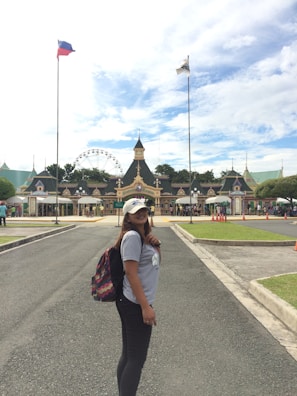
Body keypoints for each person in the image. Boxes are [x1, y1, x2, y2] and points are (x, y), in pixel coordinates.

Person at [115, 198, 161, 396]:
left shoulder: (143, 237)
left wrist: (156, 245)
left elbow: (154, 264)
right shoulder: (133, 237)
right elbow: (131, 274)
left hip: (132, 302)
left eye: (143, 210)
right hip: (134, 303)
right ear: (128, 216)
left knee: (129, 355)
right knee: (136, 359)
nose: (141, 214)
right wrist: (145, 307)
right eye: (136, 211)